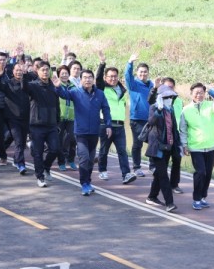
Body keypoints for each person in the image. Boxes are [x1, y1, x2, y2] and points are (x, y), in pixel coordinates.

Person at [53, 69, 111, 196]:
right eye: (85, 77)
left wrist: (108, 125)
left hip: (94, 132)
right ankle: (84, 184)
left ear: (93, 79)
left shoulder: (100, 94)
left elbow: (106, 109)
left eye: (90, 77)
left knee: (90, 159)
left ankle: (88, 181)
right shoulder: (76, 92)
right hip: (81, 132)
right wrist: (58, 87)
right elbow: (64, 95)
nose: (88, 80)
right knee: (84, 158)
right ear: (81, 79)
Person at [179, 83, 214, 210]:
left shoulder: (210, 106)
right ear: (191, 94)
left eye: (201, 92)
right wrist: (185, 145)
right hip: (195, 147)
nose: (199, 95)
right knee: (201, 172)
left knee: (208, 173)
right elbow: (183, 129)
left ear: (205, 94)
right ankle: (196, 198)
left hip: (210, 146)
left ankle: (203, 197)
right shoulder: (186, 110)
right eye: (196, 92)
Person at [95, 51, 137, 185]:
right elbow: (97, 79)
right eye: (110, 76)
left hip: (120, 126)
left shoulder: (123, 91)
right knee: (104, 150)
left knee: (122, 151)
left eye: (115, 76)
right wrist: (102, 64)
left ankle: (126, 174)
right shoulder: (102, 88)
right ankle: (102, 170)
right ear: (106, 77)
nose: (113, 78)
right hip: (105, 124)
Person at [23, 61, 61, 187]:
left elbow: (57, 104)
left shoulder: (53, 85)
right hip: (37, 124)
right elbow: (24, 88)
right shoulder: (33, 86)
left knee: (55, 149)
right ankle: (40, 176)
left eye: (47, 69)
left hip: (51, 125)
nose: (45, 72)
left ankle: (46, 166)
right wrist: (24, 74)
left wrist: (58, 121)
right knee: (38, 153)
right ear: (37, 71)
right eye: (42, 70)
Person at [145, 85, 181, 212]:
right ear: (160, 97)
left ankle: (152, 196)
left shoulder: (170, 110)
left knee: (160, 174)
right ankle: (169, 203)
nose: (169, 99)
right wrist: (158, 110)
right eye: (166, 97)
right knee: (164, 175)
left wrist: (178, 145)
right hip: (157, 147)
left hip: (169, 146)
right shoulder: (155, 108)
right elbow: (151, 122)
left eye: (171, 97)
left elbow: (173, 129)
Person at [148, 77, 184, 193]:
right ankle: (158, 193)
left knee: (177, 159)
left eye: (171, 87)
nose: (169, 91)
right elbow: (150, 101)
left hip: (175, 135)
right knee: (161, 169)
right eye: (167, 87)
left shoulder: (178, 101)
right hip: (161, 137)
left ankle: (174, 184)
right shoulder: (158, 101)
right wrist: (154, 89)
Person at [0, 62, 30, 174]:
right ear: (13, 71)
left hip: (25, 117)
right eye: (17, 70)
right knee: (19, 142)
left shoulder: (27, 84)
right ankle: (21, 164)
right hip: (12, 118)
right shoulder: (8, 83)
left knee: (22, 142)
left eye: (21, 70)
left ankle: (15, 158)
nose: (19, 72)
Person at [125, 54, 155, 177]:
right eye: (141, 72)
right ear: (137, 73)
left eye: (145, 72)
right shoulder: (133, 84)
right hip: (137, 119)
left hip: (151, 119)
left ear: (148, 73)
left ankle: (153, 166)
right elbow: (127, 76)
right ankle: (136, 167)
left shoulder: (151, 85)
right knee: (138, 143)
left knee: (154, 142)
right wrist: (130, 62)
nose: (143, 74)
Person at [56, 65, 77, 171]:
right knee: (60, 140)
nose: (64, 75)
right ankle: (61, 161)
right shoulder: (56, 85)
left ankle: (71, 159)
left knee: (73, 139)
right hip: (60, 117)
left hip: (72, 117)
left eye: (66, 73)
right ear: (58, 74)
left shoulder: (73, 86)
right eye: (62, 73)